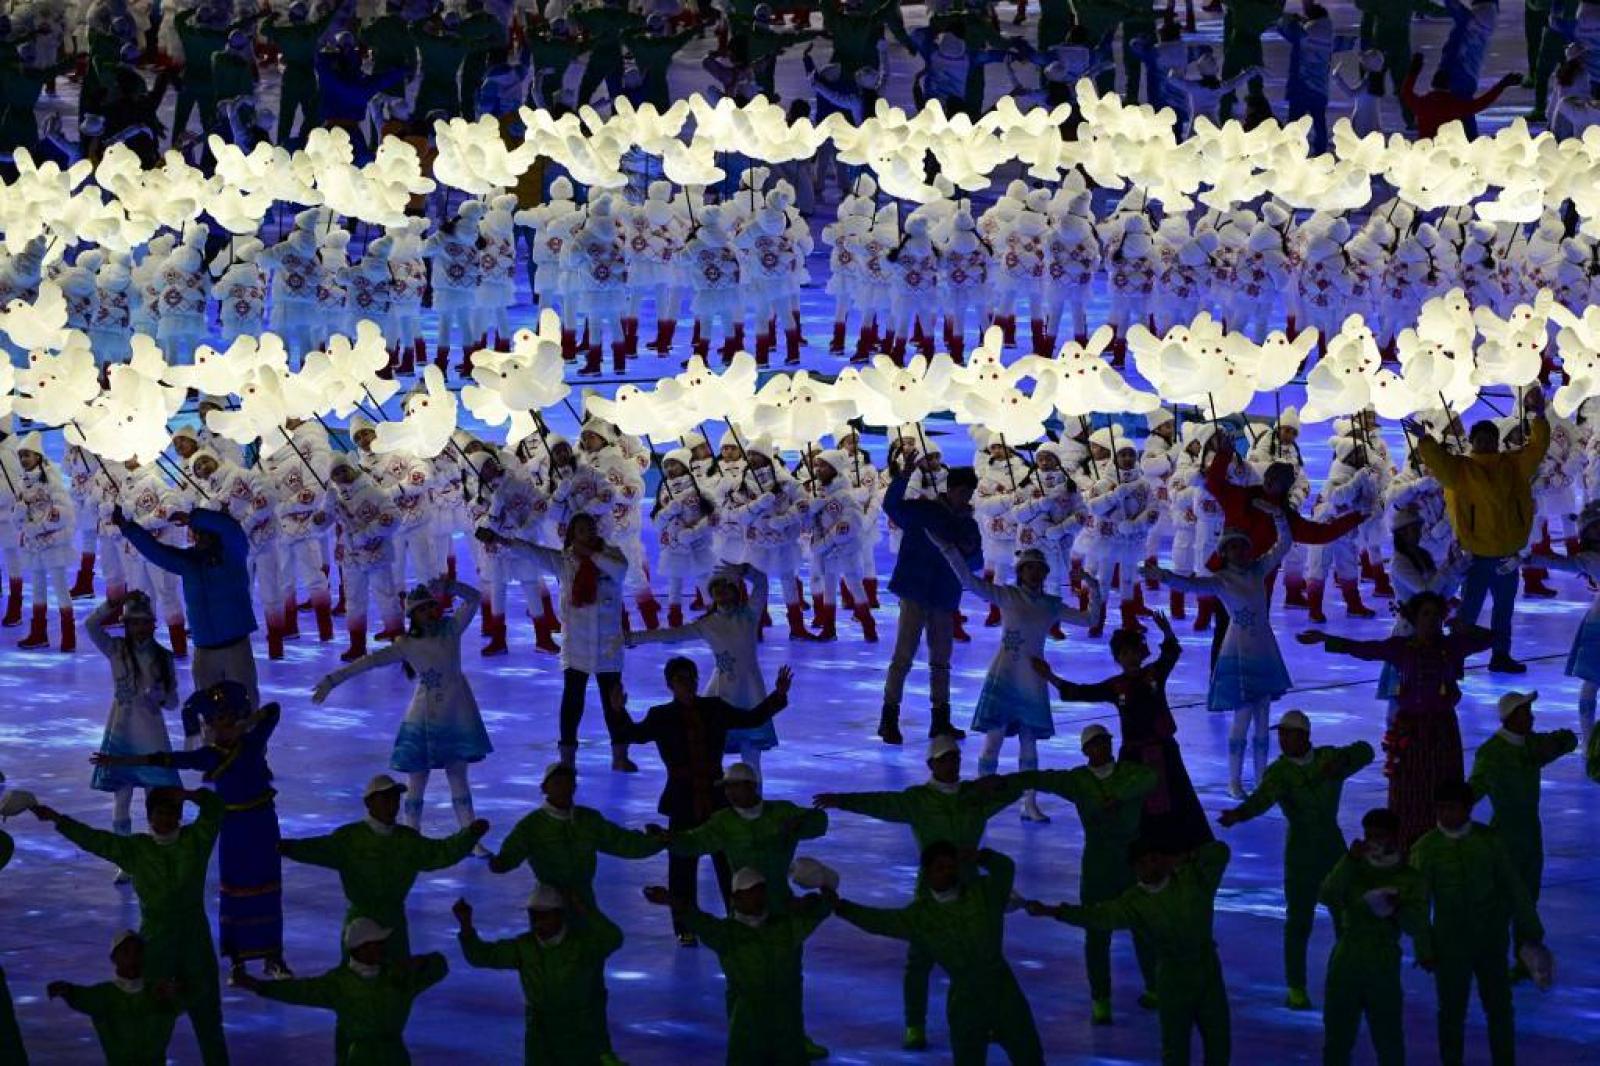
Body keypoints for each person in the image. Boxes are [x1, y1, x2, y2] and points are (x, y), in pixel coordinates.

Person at [813, 736, 1026, 1051]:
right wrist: (843, 800)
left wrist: (999, 784)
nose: (950, 764)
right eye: (943, 760)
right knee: (920, 958)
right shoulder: (918, 800)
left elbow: (1014, 790)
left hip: (972, 890)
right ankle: (915, 1024)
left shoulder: (973, 796)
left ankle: (992, 1018)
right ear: (931, 765)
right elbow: (882, 803)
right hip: (933, 888)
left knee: (984, 958)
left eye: (954, 758)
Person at [93, 682, 290, 984]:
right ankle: (237, 961)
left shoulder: (252, 742)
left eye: (225, 721)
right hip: (234, 826)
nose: (219, 729)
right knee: (235, 889)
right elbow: (166, 759)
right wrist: (119, 761)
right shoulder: (209, 756)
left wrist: (246, 724)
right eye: (212, 723)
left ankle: (273, 957)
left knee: (268, 886)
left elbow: (274, 711)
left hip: (262, 822)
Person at [29, 786, 230, 1065]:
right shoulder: (137, 849)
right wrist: (58, 820)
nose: (165, 820)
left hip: (195, 942)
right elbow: (95, 841)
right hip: (157, 943)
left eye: (171, 813)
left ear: (179, 817)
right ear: (150, 818)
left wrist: (188, 794)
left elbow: (215, 808)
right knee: (148, 1020)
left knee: (207, 1017)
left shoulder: (195, 840)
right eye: (160, 813)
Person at [606, 659, 794, 945]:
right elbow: (633, 734)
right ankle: (685, 927)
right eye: (681, 679)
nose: (688, 683)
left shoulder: (714, 708)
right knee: (682, 866)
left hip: (718, 797)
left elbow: (751, 718)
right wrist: (618, 711)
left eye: (691, 678)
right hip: (682, 799)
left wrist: (778, 696)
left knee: (727, 862)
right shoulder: (661, 716)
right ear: (670, 684)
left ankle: (738, 917)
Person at [1299, 591, 1495, 846]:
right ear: (1414, 618)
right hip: (1410, 730)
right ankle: (1408, 844)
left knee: (1444, 785)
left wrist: (1464, 628)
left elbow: (1492, 638)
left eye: (1436, 615)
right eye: (1425, 614)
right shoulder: (1402, 648)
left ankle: (1445, 842)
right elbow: (1366, 649)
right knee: (1408, 788)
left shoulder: (1451, 646)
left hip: (1442, 729)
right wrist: (1328, 639)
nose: (1431, 620)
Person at [929, 537, 1100, 819]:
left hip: (1033, 677)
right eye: (1029, 568)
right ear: (1020, 572)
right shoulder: (1006, 595)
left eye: (1039, 569)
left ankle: (1029, 802)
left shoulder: (1051, 604)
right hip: (1006, 673)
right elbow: (970, 582)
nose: (1034, 573)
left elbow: (1090, 619)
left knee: (1029, 742)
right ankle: (982, 796)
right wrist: (949, 549)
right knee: (994, 739)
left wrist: (1091, 586)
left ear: (1045, 574)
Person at [1001, 723, 1158, 1024]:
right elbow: (1041, 778)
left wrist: (1118, 796)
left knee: (1143, 927)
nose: (1101, 748)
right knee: (1096, 931)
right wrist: (1004, 781)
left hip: (1132, 860)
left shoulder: (1129, 773)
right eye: (1095, 744)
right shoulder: (1078, 780)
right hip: (1098, 861)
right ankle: (1101, 999)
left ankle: (1154, 987)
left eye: (1104, 742)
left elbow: (1151, 779)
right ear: (1085, 751)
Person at [1217, 710, 1374, 1010]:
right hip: (1300, 852)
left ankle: (1348, 977)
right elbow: (1262, 799)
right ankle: (1296, 986)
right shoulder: (1279, 773)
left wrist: (1341, 762)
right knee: (1299, 921)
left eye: (1289, 734)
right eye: (1281, 734)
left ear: (1305, 736)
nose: (1283, 739)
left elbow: (1365, 750)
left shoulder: (1329, 757)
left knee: (1346, 916)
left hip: (1332, 848)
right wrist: (1239, 815)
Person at [1026, 839, 1233, 1066]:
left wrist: (1187, 856)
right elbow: (1096, 916)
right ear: (1134, 869)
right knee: (1175, 1046)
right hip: (1174, 977)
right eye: (1143, 862)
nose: (1151, 866)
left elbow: (1220, 852)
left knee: (1219, 1042)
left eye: (1154, 859)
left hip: (1208, 969)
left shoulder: (1191, 879)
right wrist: (1054, 911)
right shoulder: (1134, 903)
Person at [832, 844, 1043, 1065]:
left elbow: (1005, 869)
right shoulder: (920, 917)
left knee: (1029, 1057)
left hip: (1005, 995)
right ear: (927, 873)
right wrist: (842, 907)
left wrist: (982, 856)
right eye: (940, 867)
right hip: (966, 1001)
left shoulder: (983, 893)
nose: (947, 872)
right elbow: (878, 921)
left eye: (951, 867)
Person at [312, 580, 493, 835]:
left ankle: (470, 837)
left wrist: (451, 586)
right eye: (423, 610)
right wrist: (333, 680)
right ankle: (411, 835)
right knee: (417, 780)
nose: (430, 613)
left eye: (432, 607)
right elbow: (369, 662)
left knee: (458, 777)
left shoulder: (451, 629)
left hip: (456, 714)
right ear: (413, 616)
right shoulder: (406, 645)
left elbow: (474, 598)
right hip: (422, 719)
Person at [1142, 502, 1294, 798]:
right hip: (1239, 649)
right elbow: (1189, 585)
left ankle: (1262, 779)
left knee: (1263, 717)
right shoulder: (1220, 580)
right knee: (1243, 715)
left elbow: (1283, 545)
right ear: (1224, 552)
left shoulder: (1258, 568)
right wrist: (1162, 575)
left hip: (1264, 646)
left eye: (1242, 546)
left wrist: (1278, 515)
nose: (1239, 551)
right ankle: (1234, 780)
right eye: (1232, 547)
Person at [1034, 612, 1213, 851]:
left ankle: (1181, 849)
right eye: (1124, 653)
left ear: (1141, 653)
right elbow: (1081, 692)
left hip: (1164, 750)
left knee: (1175, 798)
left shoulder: (1154, 674)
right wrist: (1049, 677)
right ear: (1117, 658)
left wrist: (1168, 631)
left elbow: (1170, 654)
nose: (1130, 657)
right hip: (1134, 757)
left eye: (1134, 652)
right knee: (1138, 804)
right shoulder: (1115, 686)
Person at [484, 514, 637, 772]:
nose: (586, 533)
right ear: (572, 534)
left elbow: (620, 573)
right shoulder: (563, 561)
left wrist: (592, 555)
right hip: (576, 644)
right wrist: (502, 541)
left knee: (613, 703)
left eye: (590, 528)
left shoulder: (613, 555)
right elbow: (533, 552)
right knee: (572, 703)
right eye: (580, 530)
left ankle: (620, 756)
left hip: (607, 646)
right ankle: (567, 758)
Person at [279, 773, 488, 961]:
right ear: (369, 803)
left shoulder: (407, 841)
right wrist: (284, 847)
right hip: (362, 923)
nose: (393, 805)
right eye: (385, 799)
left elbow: (440, 853)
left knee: (394, 982)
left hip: (393, 924)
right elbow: (314, 849)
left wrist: (468, 835)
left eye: (395, 799)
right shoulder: (350, 839)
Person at [1409, 782, 1545, 1066]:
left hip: (1490, 941)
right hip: (1450, 944)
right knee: (1451, 1013)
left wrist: (1532, 931)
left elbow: (1513, 887)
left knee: (1499, 1009)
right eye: (1441, 808)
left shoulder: (1489, 842)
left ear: (1467, 809)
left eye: (1452, 808)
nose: (1445, 814)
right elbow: (1418, 904)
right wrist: (1424, 946)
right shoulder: (1427, 848)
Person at [645, 867, 835, 1065]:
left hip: (785, 1023)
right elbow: (697, 919)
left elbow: (822, 908)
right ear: (736, 899)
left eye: (761, 893)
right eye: (751, 894)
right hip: (750, 1025)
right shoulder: (728, 935)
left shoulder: (784, 929)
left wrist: (815, 897)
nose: (758, 899)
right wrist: (670, 900)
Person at [628, 562, 778, 774]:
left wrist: (746, 570)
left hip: (750, 691)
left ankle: (754, 802)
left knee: (752, 756)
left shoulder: (749, 614)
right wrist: (633, 637)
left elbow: (762, 583)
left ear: (735, 592)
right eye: (718, 593)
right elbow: (669, 634)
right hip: (721, 692)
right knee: (708, 752)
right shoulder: (708, 624)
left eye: (726, 591)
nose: (723, 597)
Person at [235, 918, 448, 1064]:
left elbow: (441, 967)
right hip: (361, 1059)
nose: (381, 948)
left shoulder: (398, 974)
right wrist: (260, 986)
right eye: (376, 944)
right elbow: (301, 991)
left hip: (394, 1056)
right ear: (360, 949)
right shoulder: (339, 984)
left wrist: (422, 963)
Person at [453, 887, 625, 1065]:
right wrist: (466, 924)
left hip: (577, 1034)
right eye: (533, 916)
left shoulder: (581, 945)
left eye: (544, 916)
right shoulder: (525, 946)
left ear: (560, 915)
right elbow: (480, 956)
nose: (538, 922)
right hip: (540, 1035)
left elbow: (614, 938)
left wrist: (587, 911)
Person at [113, 503, 258, 713]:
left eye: (201, 534)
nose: (195, 539)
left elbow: (230, 528)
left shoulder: (234, 553)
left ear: (215, 536)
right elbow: (157, 552)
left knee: (246, 709)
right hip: (204, 651)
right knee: (209, 715)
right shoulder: (189, 562)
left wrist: (194, 517)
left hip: (236, 647)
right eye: (195, 534)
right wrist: (128, 528)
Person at [1317, 808, 1435, 1066]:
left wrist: (1398, 908)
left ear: (1394, 837)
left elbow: (1418, 925)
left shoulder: (1409, 878)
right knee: (1337, 1037)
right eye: (1369, 836)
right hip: (1346, 956)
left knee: (1388, 1038)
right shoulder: (1353, 866)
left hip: (1382, 959)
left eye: (1380, 837)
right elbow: (1327, 895)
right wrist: (1348, 861)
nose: (1374, 843)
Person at [879, 462, 983, 744]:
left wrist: (969, 550)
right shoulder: (923, 511)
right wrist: (903, 476)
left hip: (944, 597)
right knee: (903, 657)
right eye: (962, 490)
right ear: (950, 488)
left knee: (941, 660)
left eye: (970, 492)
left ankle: (941, 718)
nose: (966, 497)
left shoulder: (968, 525)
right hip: (915, 591)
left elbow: (975, 562)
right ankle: (889, 718)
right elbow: (891, 506)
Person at [1468, 691, 1577, 958]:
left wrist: (1559, 742)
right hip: (1505, 836)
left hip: (1530, 834)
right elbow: (1474, 788)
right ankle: (1494, 958)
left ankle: (1523, 958)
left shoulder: (1530, 744)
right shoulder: (1492, 752)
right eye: (1524, 713)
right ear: (1509, 718)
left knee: (1529, 900)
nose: (1531, 717)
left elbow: (1568, 739)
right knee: (1504, 901)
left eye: (1529, 712)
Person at [84, 592, 180, 878]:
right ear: (126, 625)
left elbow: (174, 702)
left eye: (144, 622)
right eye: (133, 623)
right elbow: (90, 625)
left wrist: (161, 697)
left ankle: (157, 850)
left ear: (152, 624)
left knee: (157, 798)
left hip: (151, 734)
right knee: (122, 797)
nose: (139, 628)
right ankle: (125, 860)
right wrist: (114, 602)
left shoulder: (163, 657)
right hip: (122, 729)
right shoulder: (116, 649)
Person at [669, 762, 829, 914]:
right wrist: (669, 839)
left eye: (735, 786)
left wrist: (801, 824)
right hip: (744, 905)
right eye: (727, 788)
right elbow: (695, 842)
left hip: (779, 901)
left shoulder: (781, 811)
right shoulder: (723, 821)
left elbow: (818, 821)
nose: (730, 793)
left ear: (752, 786)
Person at [47, 930, 183, 1066]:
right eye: (126, 952)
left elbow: (178, 1002)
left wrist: (176, 993)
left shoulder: (157, 991)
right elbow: (82, 997)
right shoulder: (104, 994)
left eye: (138, 952)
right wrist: (67, 990)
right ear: (114, 958)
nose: (133, 958)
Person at [1532, 504, 1600, 737]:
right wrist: (1525, 559)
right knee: (1591, 683)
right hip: (1597, 626)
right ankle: (1589, 738)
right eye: (1596, 528)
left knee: (1591, 685)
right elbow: (1556, 562)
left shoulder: (1589, 559)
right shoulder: (1589, 559)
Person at [1399, 52, 1522, 139]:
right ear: (1451, 85)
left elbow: (1406, 92)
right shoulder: (1456, 105)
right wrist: (1502, 85)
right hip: (1449, 151)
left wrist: (1414, 71)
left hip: (1425, 150)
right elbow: (1483, 102)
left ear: (1432, 83)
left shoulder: (1422, 104)